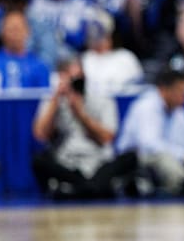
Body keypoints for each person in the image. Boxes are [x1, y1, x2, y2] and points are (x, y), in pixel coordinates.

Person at [31, 56, 138, 199]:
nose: (75, 84)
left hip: (98, 162)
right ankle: (90, 187)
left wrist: (81, 114)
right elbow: (39, 134)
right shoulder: (54, 100)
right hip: (67, 164)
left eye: (79, 79)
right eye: (71, 79)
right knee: (39, 160)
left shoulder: (101, 98)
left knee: (131, 157)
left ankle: (80, 189)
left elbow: (107, 137)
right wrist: (56, 100)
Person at [116, 68, 184, 196]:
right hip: (136, 159)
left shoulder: (181, 114)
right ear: (164, 90)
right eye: (180, 91)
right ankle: (177, 190)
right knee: (166, 161)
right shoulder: (146, 107)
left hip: (169, 157)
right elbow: (149, 145)